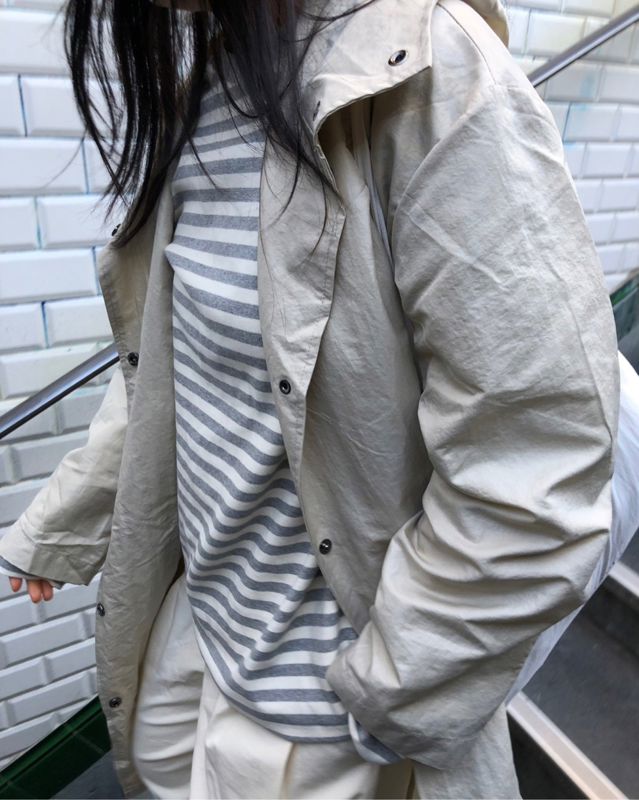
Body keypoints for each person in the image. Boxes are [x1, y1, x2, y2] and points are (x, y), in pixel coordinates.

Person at [0, 0, 620, 797]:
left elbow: (532, 458)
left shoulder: (428, 76)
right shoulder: (210, 88)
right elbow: (169, 369)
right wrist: (61, 521)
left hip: (317, 711)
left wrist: (387, 695)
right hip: (197, 632)